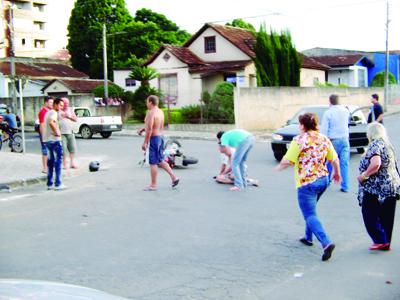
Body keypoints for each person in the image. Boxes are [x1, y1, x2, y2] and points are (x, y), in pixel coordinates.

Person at [274, 113, 341, 261]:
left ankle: (326, 242)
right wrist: (337, 173)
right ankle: (308, 237)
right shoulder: (324, 139)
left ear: (303, 125)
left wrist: (278, 167)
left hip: (306, 183)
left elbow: (288, 160)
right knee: (311, 209)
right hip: (323, 180)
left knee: (309, 214)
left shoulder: (299, 140)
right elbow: (334, 159)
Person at [357, 122, 400, 251]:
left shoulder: (375, 145)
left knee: (368, 213)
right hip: (391, 185)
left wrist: (364, 175)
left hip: (376, 187)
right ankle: (385, 242)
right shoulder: (388, 144)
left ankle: (380, 240)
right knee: (386, 215)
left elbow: (376, 164)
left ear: (370, 134)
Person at [140, 95, 179, 191]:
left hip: (153, 139)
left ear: (150, 102)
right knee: (161, 160)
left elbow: (149, 129)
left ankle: (153, 185)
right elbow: (158, 126)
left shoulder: (151, 113)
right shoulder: (160, 112)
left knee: (153, 162)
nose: (146, 104)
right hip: (160, 137)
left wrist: (145, 142)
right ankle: (174, 177)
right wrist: (143, 129)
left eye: (147, 102)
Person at [320, 94, 350, 192]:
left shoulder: (328, 113)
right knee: (344, 163)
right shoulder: (346, 111)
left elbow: (324, 130)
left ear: (330, 101)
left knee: (330, 161)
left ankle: (327, 181)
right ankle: (345, 185)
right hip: (345, 139)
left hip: (333, 140)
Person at [43, 98, 65, 190]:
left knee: (50, 163)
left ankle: (49, 183)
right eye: (60, 105)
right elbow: (51, 122)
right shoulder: (53, 113)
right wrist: (57, 132)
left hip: (47, 140)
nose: (61, 107)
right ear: (55, 104)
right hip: (55, 140)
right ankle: (58, 183)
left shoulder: (47, 112)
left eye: (62, 106)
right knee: (58, 162)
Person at [59, 97, 78, 169]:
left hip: (70, 132)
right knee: (63, 149)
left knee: (72, 148)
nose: (66, 104)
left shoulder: (70, 110)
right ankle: (64, 164)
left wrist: (68, 116)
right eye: (65, 103)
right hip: (62, 133)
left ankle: (72, 163)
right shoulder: (58, 111)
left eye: (67, 103)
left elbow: (75, 119)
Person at [38, 96, 54, 173]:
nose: (52, 104)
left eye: (52, 102)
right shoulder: (43, 112)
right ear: (46, 102)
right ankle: (45, 168)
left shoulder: (50, 111)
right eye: (50, 102)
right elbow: (42, 125)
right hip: (45, 135)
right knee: (45, 151)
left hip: (51, 134)